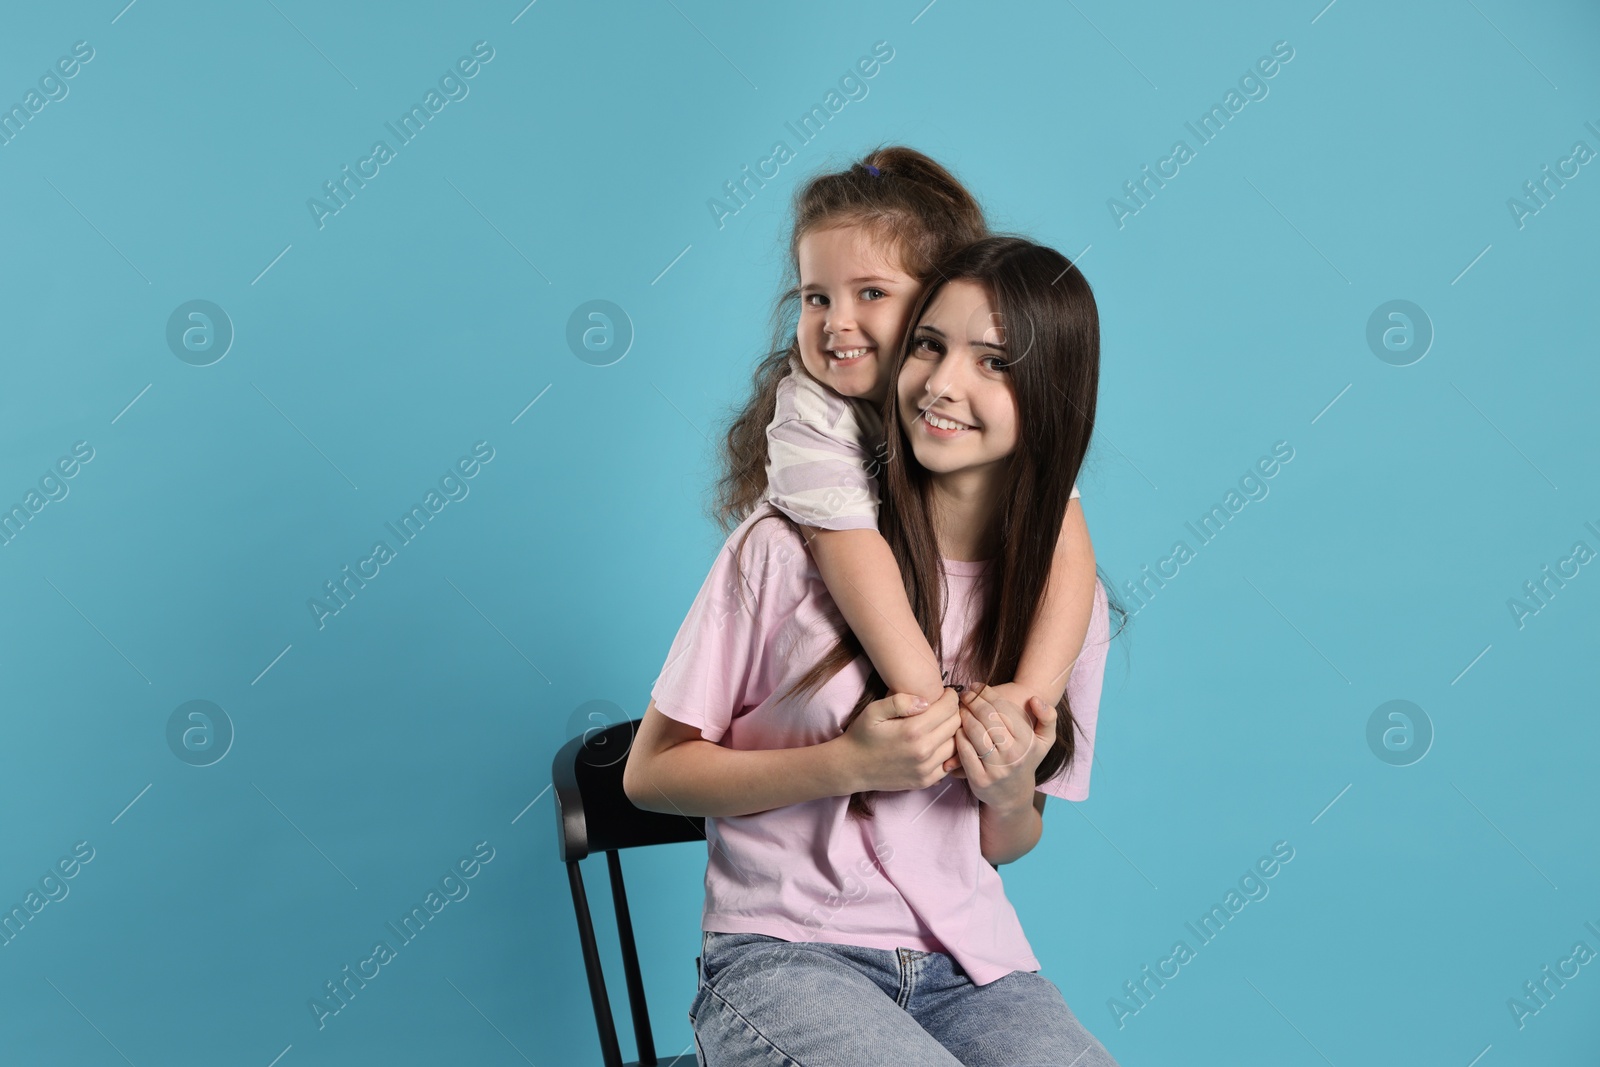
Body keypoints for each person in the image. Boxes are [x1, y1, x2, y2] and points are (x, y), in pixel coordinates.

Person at [624, 235, 1127, 1064]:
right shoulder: (785, 550)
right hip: (784, 958)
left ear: (1051, 394)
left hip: (974, 969)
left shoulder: (1063, 607)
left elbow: (1008, 837)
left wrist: (1007, 791)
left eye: (994, 361)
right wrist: (845, 762)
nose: (942, 382)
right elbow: (650, 774)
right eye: (929, 345)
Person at [715, 146, 1099, 765]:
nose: (837, 321)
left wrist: (1030, 700)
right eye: (816, 298)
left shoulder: (992, 417)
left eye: (870, 292)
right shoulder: (809, 415)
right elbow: (852, 554)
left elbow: (1067, 546)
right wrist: (929, 705)